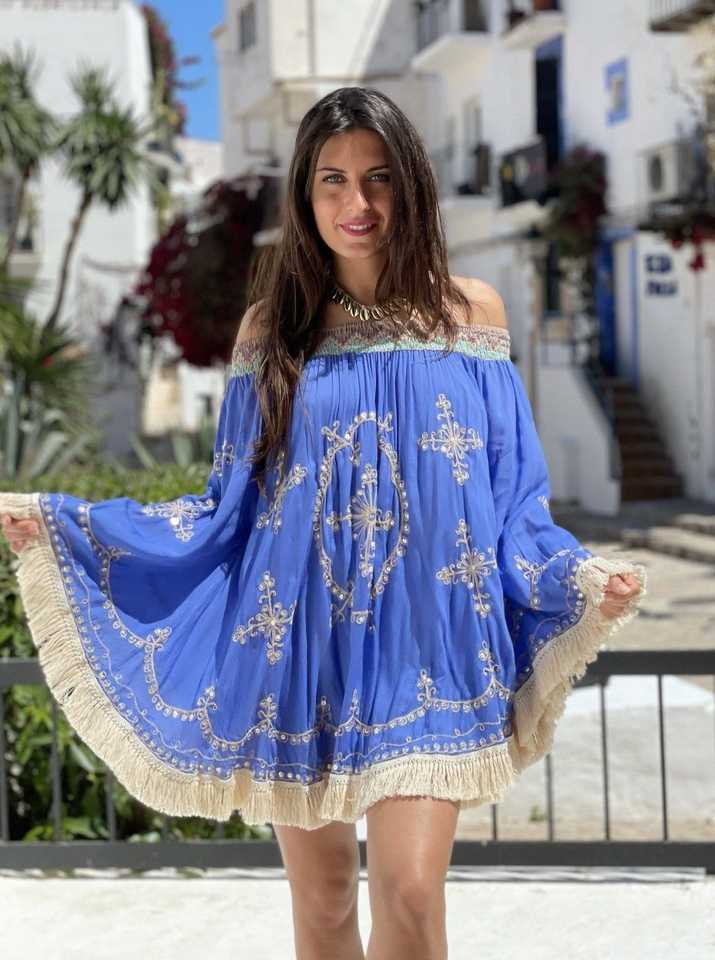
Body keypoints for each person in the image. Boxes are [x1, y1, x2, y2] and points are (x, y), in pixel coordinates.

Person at [0, 86, 646, 959]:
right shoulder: (273, 330)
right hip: (298, 646)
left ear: (410, 185)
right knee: (326, 900)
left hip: (430, 645)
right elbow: (224, 504)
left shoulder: (471, 316)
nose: (357, 202)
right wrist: (69, 527)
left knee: (410, 894)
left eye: (378, 178)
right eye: (332, 179)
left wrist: (575, 576)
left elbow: (513, 499)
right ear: (305, 194)